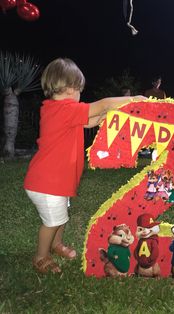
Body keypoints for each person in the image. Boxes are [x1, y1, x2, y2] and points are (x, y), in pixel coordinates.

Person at [24, 58, 146, 274]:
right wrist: (134, 99)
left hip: (54, 181)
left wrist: (107, 116)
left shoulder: (57, 110)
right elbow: (104, 104)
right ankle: (41, 255)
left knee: (61, 216)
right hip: (47, 183)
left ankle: (56, 244)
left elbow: (91, 120)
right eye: (79, 89)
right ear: (71, 88)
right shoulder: (63, 110)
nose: (80, 94)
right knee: (52, 221)